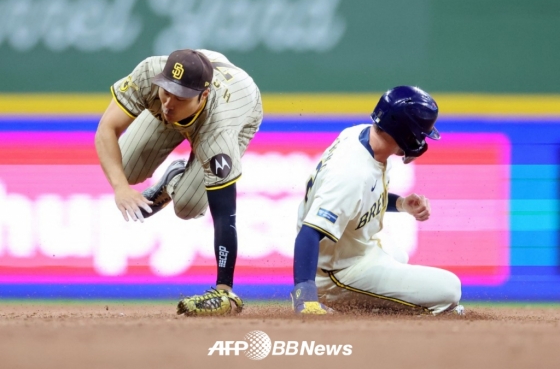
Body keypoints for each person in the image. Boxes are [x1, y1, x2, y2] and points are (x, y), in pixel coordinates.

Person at [95, 48, 262, 316]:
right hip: (202, 88)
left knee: (187, 206)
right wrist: (121, 188)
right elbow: (106, 129)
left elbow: (224, 215)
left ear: (203, 95)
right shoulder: (151, 73)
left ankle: (175, 180)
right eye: (167, 90)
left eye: (180, 95)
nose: (169, 102)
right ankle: (172, 172)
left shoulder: (220, 130)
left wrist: (223, 288)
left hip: (238, 109)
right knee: (121, 167)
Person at [290, 86, 464, 315]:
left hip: (356, 251)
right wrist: (306, 296)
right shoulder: (351, 173)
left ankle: (375, 301)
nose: (421, 139)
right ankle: (351, 303)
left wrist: (401, 204)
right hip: (338, 272)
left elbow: (360, 198)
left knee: (398, 252)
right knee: (450, 289)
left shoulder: (361, 135)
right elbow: (309, 232)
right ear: (405, 132)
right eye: (420, 133)